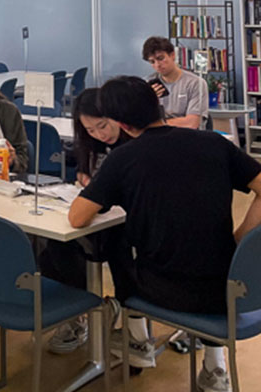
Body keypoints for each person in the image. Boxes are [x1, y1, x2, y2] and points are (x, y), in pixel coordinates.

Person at [68, 76, 261, 388]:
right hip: (225, 285)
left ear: (121, 124)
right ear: (158, 106)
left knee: (119, 243)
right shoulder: (212, 142)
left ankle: (138, 340)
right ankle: (216, 369)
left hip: (162, 289)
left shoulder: (123, 158)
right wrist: (241, 240)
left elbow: (77, 218)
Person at [43, 88, 130, 355]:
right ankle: (80, 312)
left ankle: (125, 315)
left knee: (122, 255)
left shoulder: (132, 144)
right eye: (90, 130)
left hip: (124, 222)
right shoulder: (89, 143)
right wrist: (84, 178)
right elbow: (83, 172)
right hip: (90, 215)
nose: (99, 134)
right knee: (53, 248)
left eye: (102, 126)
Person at [142, 36, 208, 129]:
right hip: (156, 136)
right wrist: (150, 100)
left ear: (172, 55)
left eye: (160, 58)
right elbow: (139, 121)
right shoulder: (146, 84)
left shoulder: (195, 83)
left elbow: (192, 123)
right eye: (152, 62)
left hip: (186, 136)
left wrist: (157, 124)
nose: (157, 65)